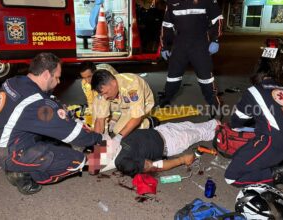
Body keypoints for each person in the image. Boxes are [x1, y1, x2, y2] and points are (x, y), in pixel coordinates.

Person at [0, 53, 104, 195]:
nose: (59, 82)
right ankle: (25, 174)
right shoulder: (36, 103)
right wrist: (99, 139)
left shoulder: (15, 81)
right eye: (56, 77)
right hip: (13, 153)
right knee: (75, 159)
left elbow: (49, 103)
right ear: (45, 74)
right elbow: (72, 133)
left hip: (6, 141)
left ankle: (22, 166)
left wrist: (66, 115)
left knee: (58, 142)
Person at [224, 66, 283, 190]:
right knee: (239, 156)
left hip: (269, 144)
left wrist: (233, 126)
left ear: (256, 77)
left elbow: (237, 121)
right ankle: (282, 160)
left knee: (231, 177)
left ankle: (280, 173)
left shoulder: (254, 91)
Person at [159, 0, 223, 119]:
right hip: (180, 44)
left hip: (200, 44)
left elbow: (217, 20)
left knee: (206, 78)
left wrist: (215, 40)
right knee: (173, 77)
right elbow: (166, 25)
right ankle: (165, 99)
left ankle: (214, 105)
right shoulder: (172, 2)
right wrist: (164, 46)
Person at [86, 119, 220, 177]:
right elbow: (154, 166)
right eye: (97, 153)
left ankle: (217, 124)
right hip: (172, 142)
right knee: (202, 134)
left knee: (192, 125)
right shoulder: (123, 162)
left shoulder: (111, 144)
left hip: (161, 130)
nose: (99, 147)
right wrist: (182, 160)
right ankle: (228, 136)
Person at [91, 68, 155, 145]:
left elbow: (136, 117)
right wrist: (97, 142)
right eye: (102, 94)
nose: (105, 97)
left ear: (114, 83)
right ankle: (112, 123)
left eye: (106, 93)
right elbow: (100, 119)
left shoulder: (133, 85)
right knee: (97, 102)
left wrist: (118, 138)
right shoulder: (106, 90)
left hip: (142, 106)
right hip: (122, 105)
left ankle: (148, 122)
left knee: (118, 130)